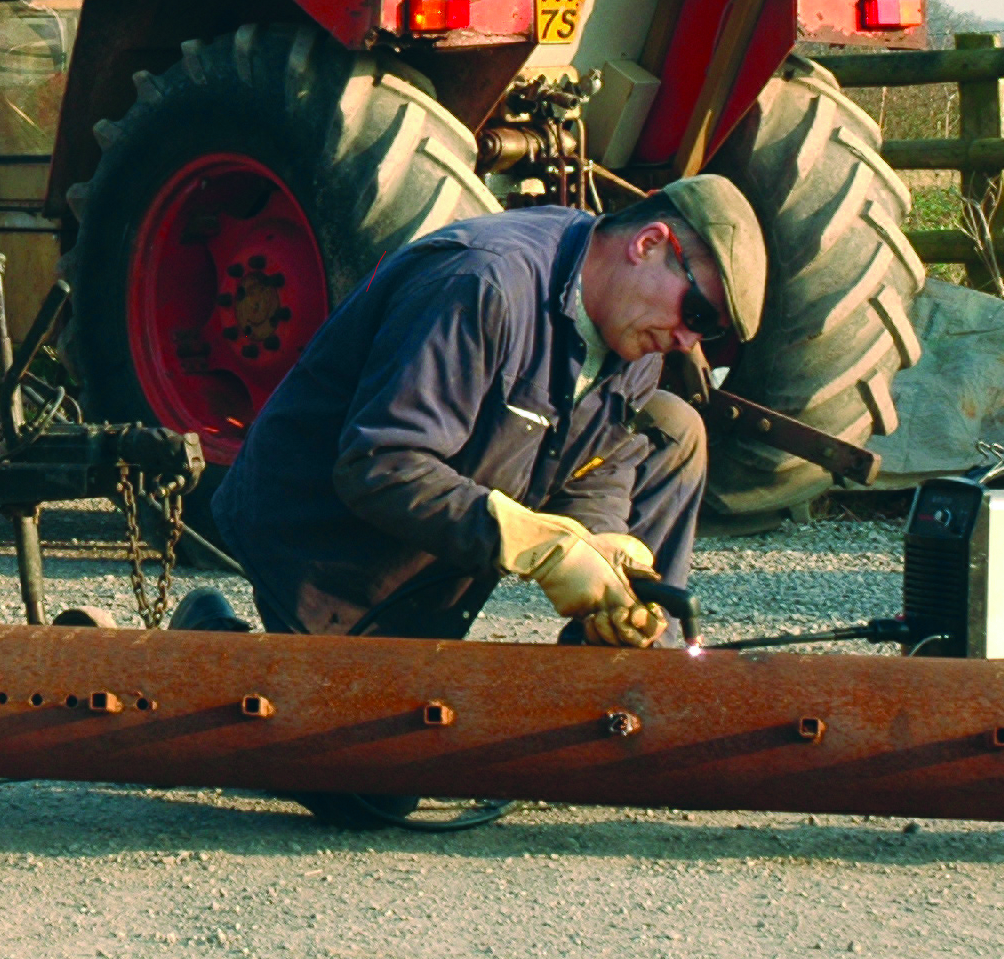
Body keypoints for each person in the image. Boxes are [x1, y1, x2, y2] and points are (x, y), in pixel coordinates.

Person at [190, 177, 765, 649]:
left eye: (709, 331)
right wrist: (535, 545)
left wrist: (604, 545)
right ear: (648, 244)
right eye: (697, 312)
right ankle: (209, 640)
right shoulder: (481, 284)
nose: (691, 341)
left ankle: (613, 688)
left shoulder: (633, 331)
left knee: (672, 427)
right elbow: (379, 466)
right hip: (330, 547)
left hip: (439, 541)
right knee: (370, 788)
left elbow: (601, 463)